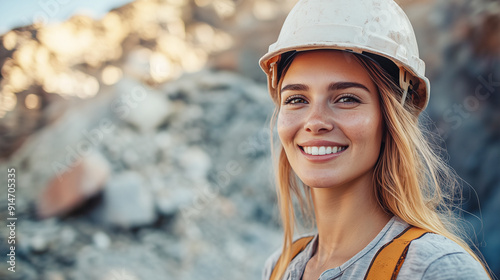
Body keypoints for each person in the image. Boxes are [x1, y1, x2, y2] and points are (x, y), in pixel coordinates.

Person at [258, 0, 492, 279]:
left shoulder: (436, 269)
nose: (315, 122)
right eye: (296, 99)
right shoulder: (279, 268)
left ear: (391, 119)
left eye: (347, 98)